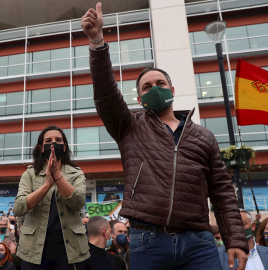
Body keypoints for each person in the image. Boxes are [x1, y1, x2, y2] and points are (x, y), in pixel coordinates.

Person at [81, 3, 248, 269]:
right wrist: (97, 42)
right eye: (147, 87)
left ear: (172, 89)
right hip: (148, 242)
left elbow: (223, 192)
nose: (154, 89)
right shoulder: (130, 127)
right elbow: (105, 94)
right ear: (139, 98)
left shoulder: (203, 137)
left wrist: (235, 240)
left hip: (199, 243)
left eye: (160, 84)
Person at [13, 125, 89, 270]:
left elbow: (78, 203)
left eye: (58, 140)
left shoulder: (76, 174)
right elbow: (19, 207)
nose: (53, 144)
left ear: (64, 146)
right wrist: (47, 184)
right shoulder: (29, 174)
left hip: (69, 250)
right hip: (33, 250)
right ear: (41, 148)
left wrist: (58, 177)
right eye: (48, 141)